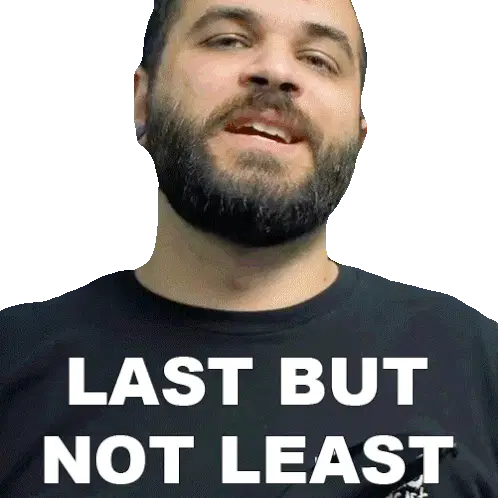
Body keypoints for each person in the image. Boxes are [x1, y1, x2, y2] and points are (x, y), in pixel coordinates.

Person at [0, 0, 497, 496]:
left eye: (319, 59)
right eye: (228, 40)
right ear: (142, 99)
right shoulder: (15, 360)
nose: (276, 71)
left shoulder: (474, 362)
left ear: (359, 134)